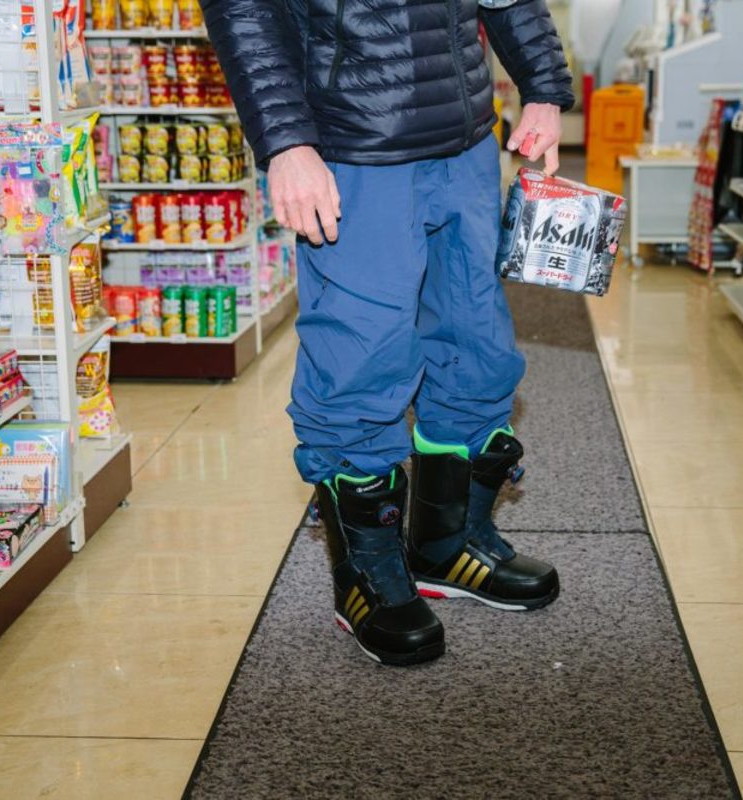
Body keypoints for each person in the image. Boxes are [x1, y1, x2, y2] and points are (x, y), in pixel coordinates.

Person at [202, 0, 574, 666]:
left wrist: (542, 84)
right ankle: (367, 575)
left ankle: (446, 546)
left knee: (477, 344)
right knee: (361, 357)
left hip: (464, 136)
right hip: (355, 143)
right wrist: (286, 141)